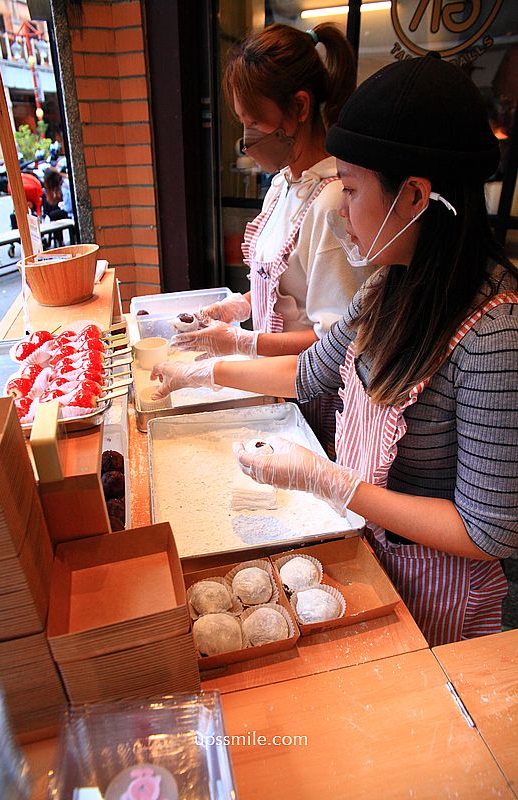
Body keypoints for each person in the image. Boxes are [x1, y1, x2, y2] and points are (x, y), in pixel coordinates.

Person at [151, 53, 518, 646]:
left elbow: (489, 530)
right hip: (371, 553)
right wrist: (206, 368)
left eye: (350, 190)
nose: (343, 211)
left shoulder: (495, 337)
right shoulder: (386, 286)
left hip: (437, 584)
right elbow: (309, 373)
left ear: (415, 197)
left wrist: (337, 486)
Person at [170, 23, 372, 455]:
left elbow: (336, 341)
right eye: (242, 122)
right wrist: (234, 307)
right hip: (274, 382)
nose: (247, 139)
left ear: (299, 107)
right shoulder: (283, 184)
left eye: (255, 121)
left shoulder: (334, 201)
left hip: (313, 401)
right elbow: (279, 284)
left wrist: (241, 342)